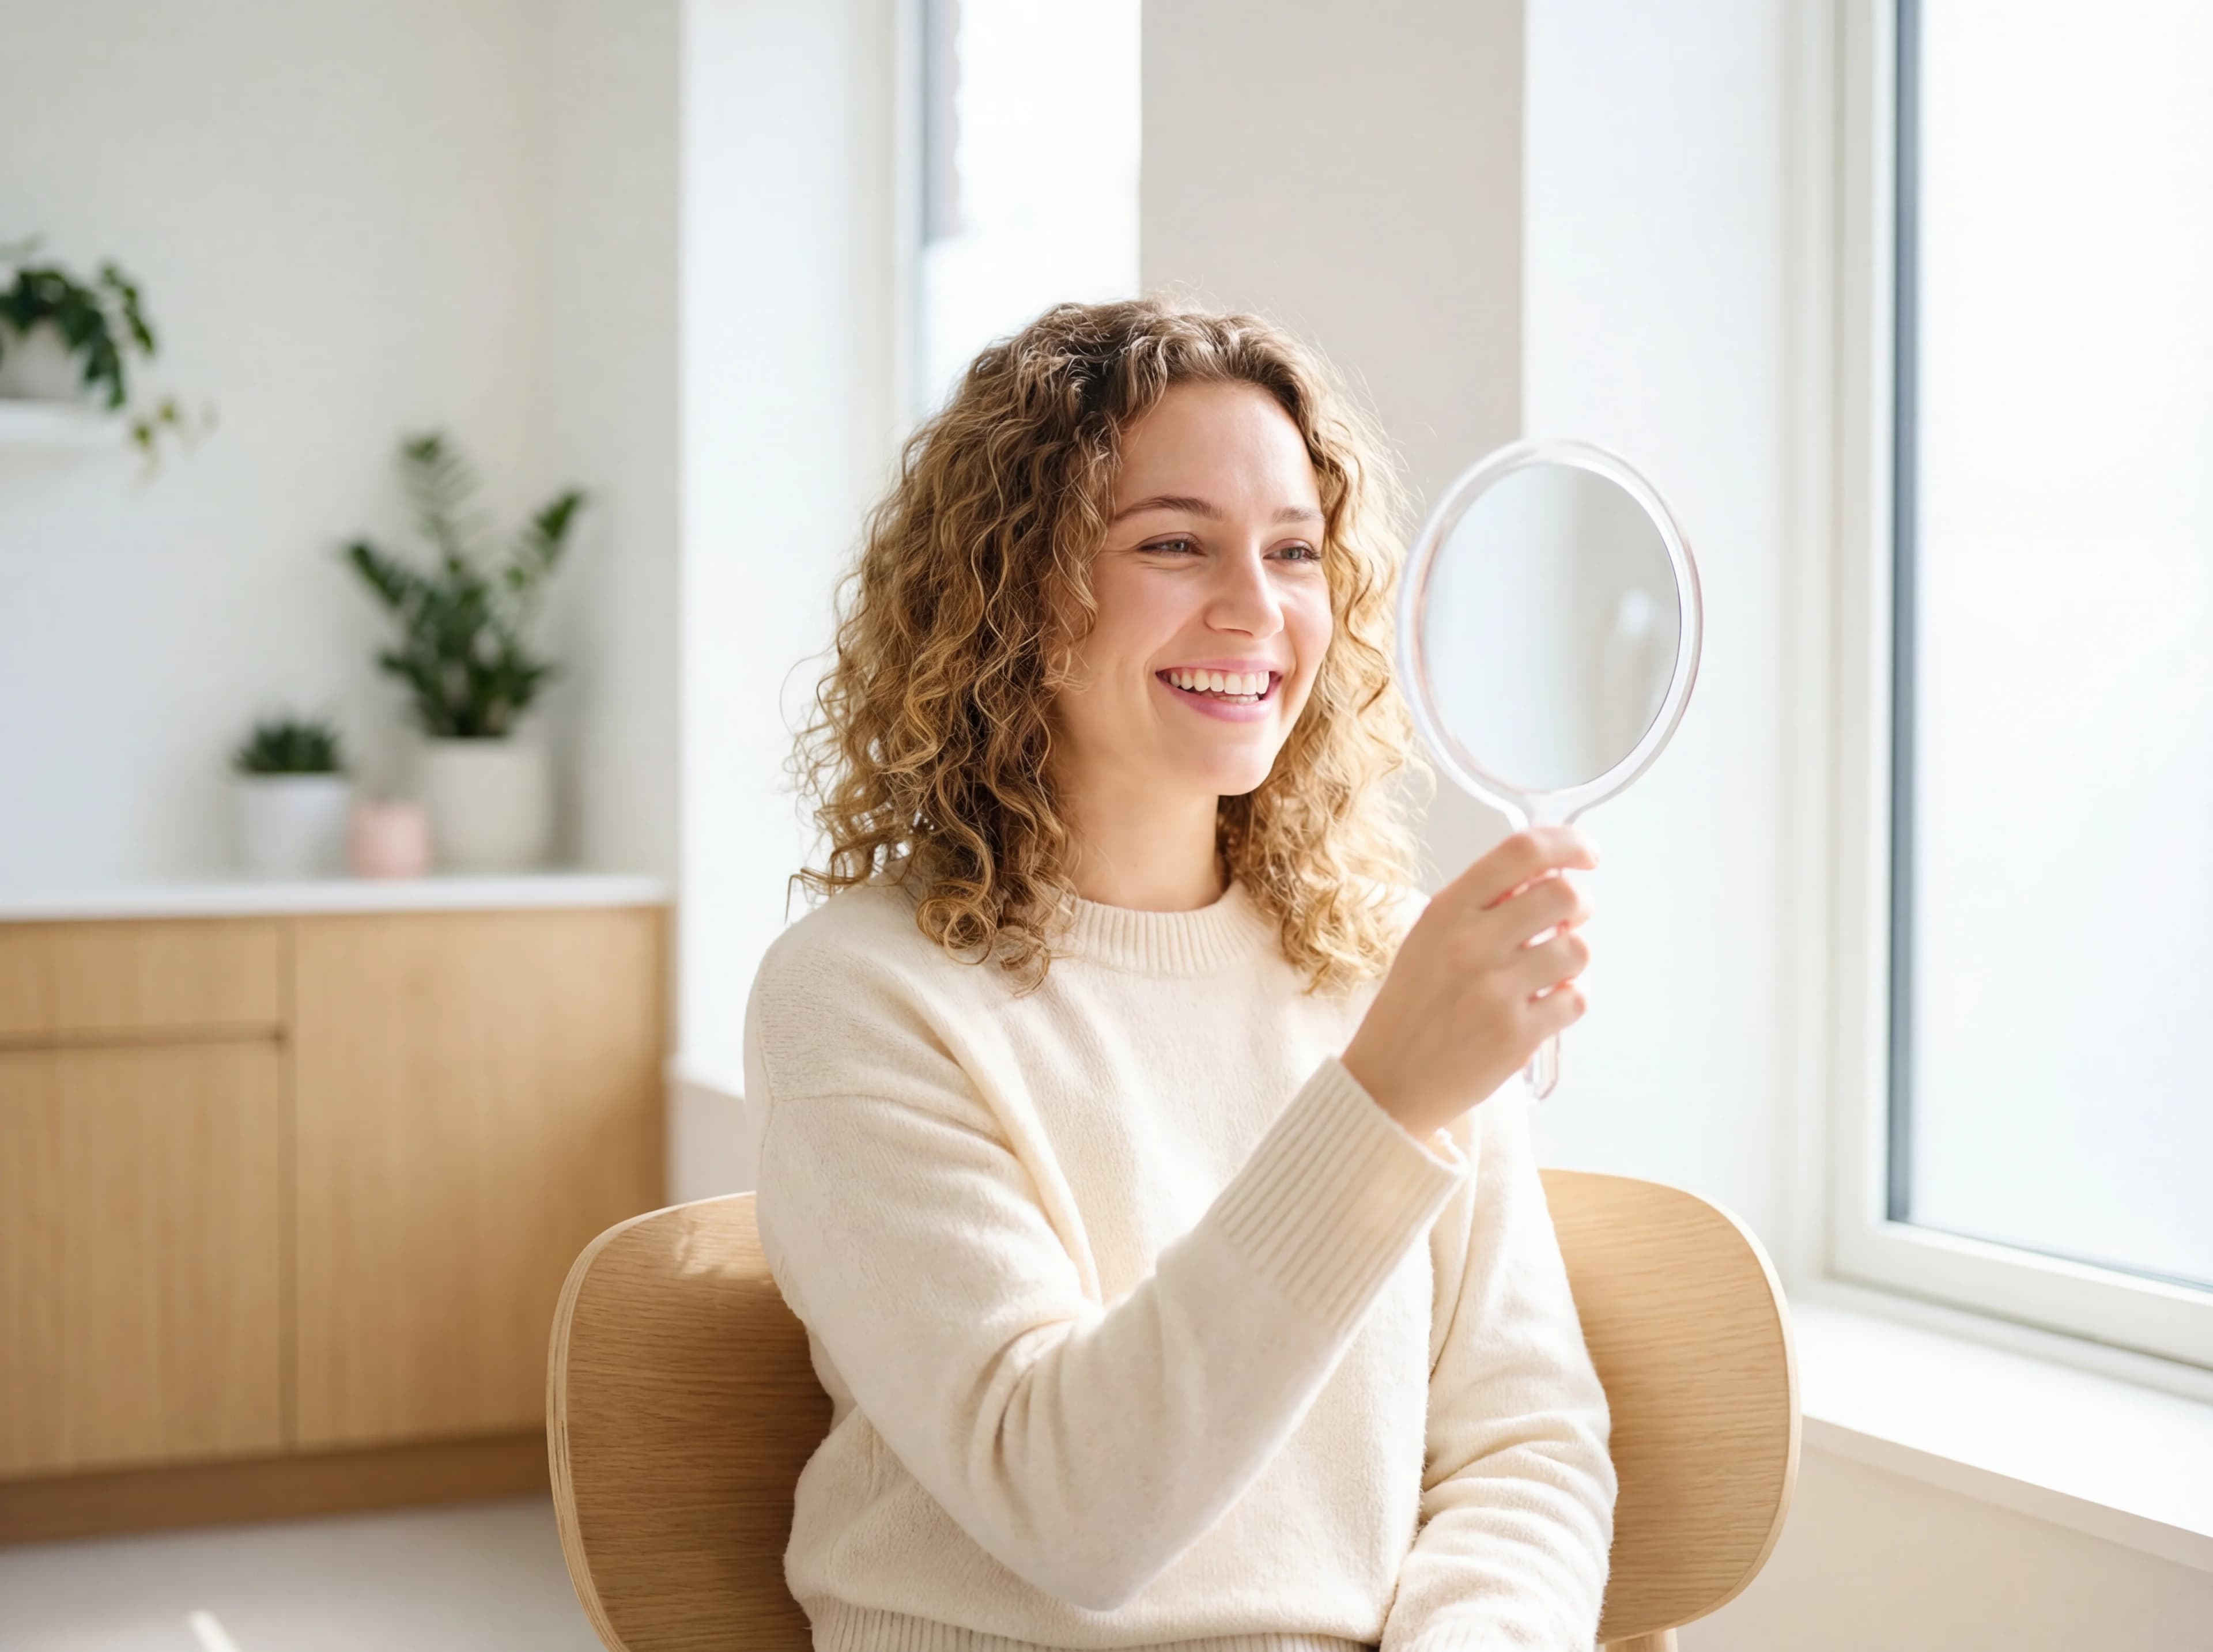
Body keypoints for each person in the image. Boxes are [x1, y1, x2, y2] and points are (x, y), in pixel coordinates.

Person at [747, 298, 1615, 1652]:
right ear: (1013, 590)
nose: (1256, 610)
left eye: (1294, 551)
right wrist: (1383, 1102)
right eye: (1172, 544)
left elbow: (1526, 1447)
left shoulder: (1388, 966)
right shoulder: (859, 997)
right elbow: (1077, 1514)